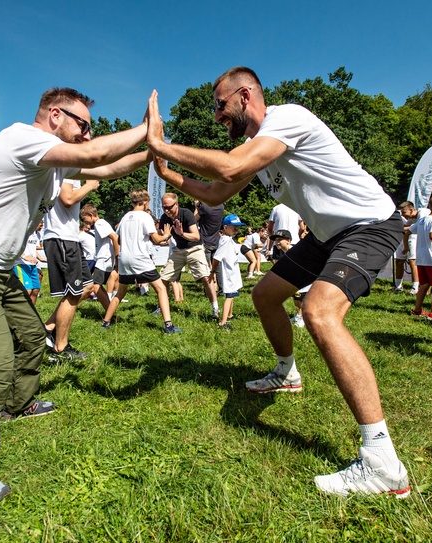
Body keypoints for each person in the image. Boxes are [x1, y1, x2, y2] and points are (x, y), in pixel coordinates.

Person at [147, 66, 409, 498]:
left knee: (320, 314)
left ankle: (382, 462)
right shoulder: (258, 148)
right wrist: (164, 170)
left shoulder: (287, 118)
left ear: (245, 95)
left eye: (220, 106)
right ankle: (287, 373)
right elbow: (216, 192)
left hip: (369, 225)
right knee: (266, 295)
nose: (216, 117)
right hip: (328, 236)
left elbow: (231, 167)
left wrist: (162, 144)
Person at [0, 86, 153, 504]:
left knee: (33, 337)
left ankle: (16, 403)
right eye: (82, 125)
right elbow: (94, 157)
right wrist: (144, 128)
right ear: (54, 115)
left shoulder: (49, 164)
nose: (87, 135)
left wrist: (154, 152)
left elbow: (104, 169)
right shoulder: (21, 138)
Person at [101, 189, 181, 333]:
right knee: (161, 288)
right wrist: (167, 235)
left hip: (125, 259)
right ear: (144, 202)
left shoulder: (125, 217)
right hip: (141, 259)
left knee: (120, 293)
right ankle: (168, 325)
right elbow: (156, 238)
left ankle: (105, 322)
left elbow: (118, 238)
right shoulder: (145, 217)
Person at [40, 177, 100, 361]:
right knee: (73, 293)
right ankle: (60, 348)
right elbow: (67, 199)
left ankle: (48, 328)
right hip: (62, 238)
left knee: (87, 287)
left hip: (69, 238)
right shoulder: (67, 172)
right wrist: (90, 185)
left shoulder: (63, 171)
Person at [157, 193, 219, 318]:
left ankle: (215, 309)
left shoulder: (186, 214)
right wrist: (164, 237)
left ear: (177, 204)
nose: (167, 210)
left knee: (206, 277)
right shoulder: (164, 218)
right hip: (179, 250)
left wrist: (181, 234)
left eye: (169, 207)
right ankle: (161, 307)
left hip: (194, 248)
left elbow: (196, 236)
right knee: (163, 278)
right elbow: (161, 239)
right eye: (164, 207)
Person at [80, 204, 119, 313]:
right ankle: (110, 310)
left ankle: (109, 312)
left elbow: (115, 238)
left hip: (104, 258)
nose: (85, 221)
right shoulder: (101, 223)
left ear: (90, 215)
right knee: (97, 285)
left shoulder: (99, 223)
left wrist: (117, 258)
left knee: (96, 286)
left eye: (85, 219)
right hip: (104, 258)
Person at [211, 213, 245, 329]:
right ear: (225, 227)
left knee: (232, 294)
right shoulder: (225, 240)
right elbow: (217, 257)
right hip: (229, 274)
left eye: (238, 227)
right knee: (229, 296)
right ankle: (223, 322)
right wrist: (212, 272)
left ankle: (230, 315)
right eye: (233, 226)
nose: (236, 229)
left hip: (233, 272)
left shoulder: (229, 239)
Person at [394, 201, 427, 294]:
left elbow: (416, 227)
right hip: (407, 238)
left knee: (413, 261)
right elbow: (405, 226)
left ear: (411, 210)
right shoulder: (411, 218)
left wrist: (399, 228)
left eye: (404, 212)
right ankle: (398, 286)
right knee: (399, 261)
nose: (403, 216)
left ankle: (415, 287)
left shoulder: (423, 214)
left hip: (416, 238)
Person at [14, 220, 44, 305]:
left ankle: (31, 312)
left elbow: (32, 248)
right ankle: (20, 312)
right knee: (27, 290)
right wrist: (24, 256)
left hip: (33, 265)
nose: (41, 226)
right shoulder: (23, 231)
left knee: (35, 290)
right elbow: (15, 246)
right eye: (40, 223)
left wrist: (40, 258)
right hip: (22, 264)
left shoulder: (35, 234)